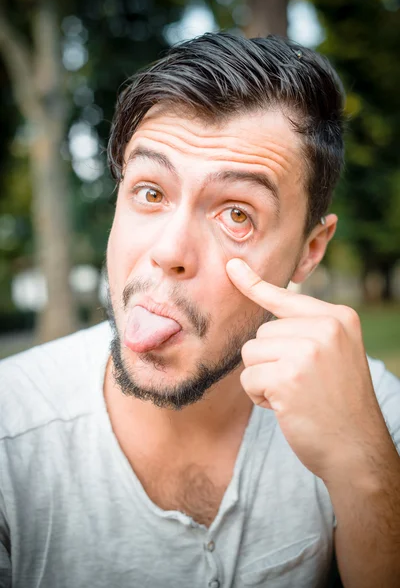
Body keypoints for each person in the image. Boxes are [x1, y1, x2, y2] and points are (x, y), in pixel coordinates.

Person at [0, 32, 399, 588]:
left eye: (236, 214)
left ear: (310, 250)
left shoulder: (370, 412)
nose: (168, 252)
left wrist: (367, 475)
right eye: (150, 193)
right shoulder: (9, 436)